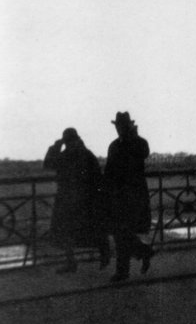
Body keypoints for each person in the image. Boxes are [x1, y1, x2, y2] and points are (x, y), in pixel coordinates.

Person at [43, 128, 110, 274]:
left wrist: (56, 146)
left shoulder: (69, 155)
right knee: (74, 231)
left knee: (73, 231)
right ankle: (97, 255)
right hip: (78, 200)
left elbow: (47, 163)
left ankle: (79, 260)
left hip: (76, 200)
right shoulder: (84, 154)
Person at [103, 111, 154, 282]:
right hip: (119, 196)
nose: (118, 129)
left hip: (134, 196)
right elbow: (109, 171)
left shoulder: (139, 143)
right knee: (121, 233)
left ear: (129, 126)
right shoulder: (114, 145)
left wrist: (132, 136)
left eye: (121, 126)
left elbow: (143, 153)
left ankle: (124, 270)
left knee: (122, 232)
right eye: (117, 126)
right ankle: (142, 253)